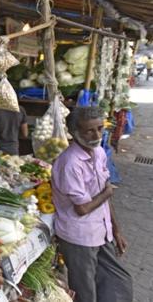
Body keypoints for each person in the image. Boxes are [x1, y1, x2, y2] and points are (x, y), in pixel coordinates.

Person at [52, 106, 132, 302]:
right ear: (74, 133)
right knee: (85, 292)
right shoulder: (70, 163)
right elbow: (82, 209)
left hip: (101, 231)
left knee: (118, 281)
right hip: (79, 237)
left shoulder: (99, 153)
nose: (96, 134)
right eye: (89, 130)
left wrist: (116, 229)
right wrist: (107, 192)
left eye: (99, 128)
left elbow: (105, 197)